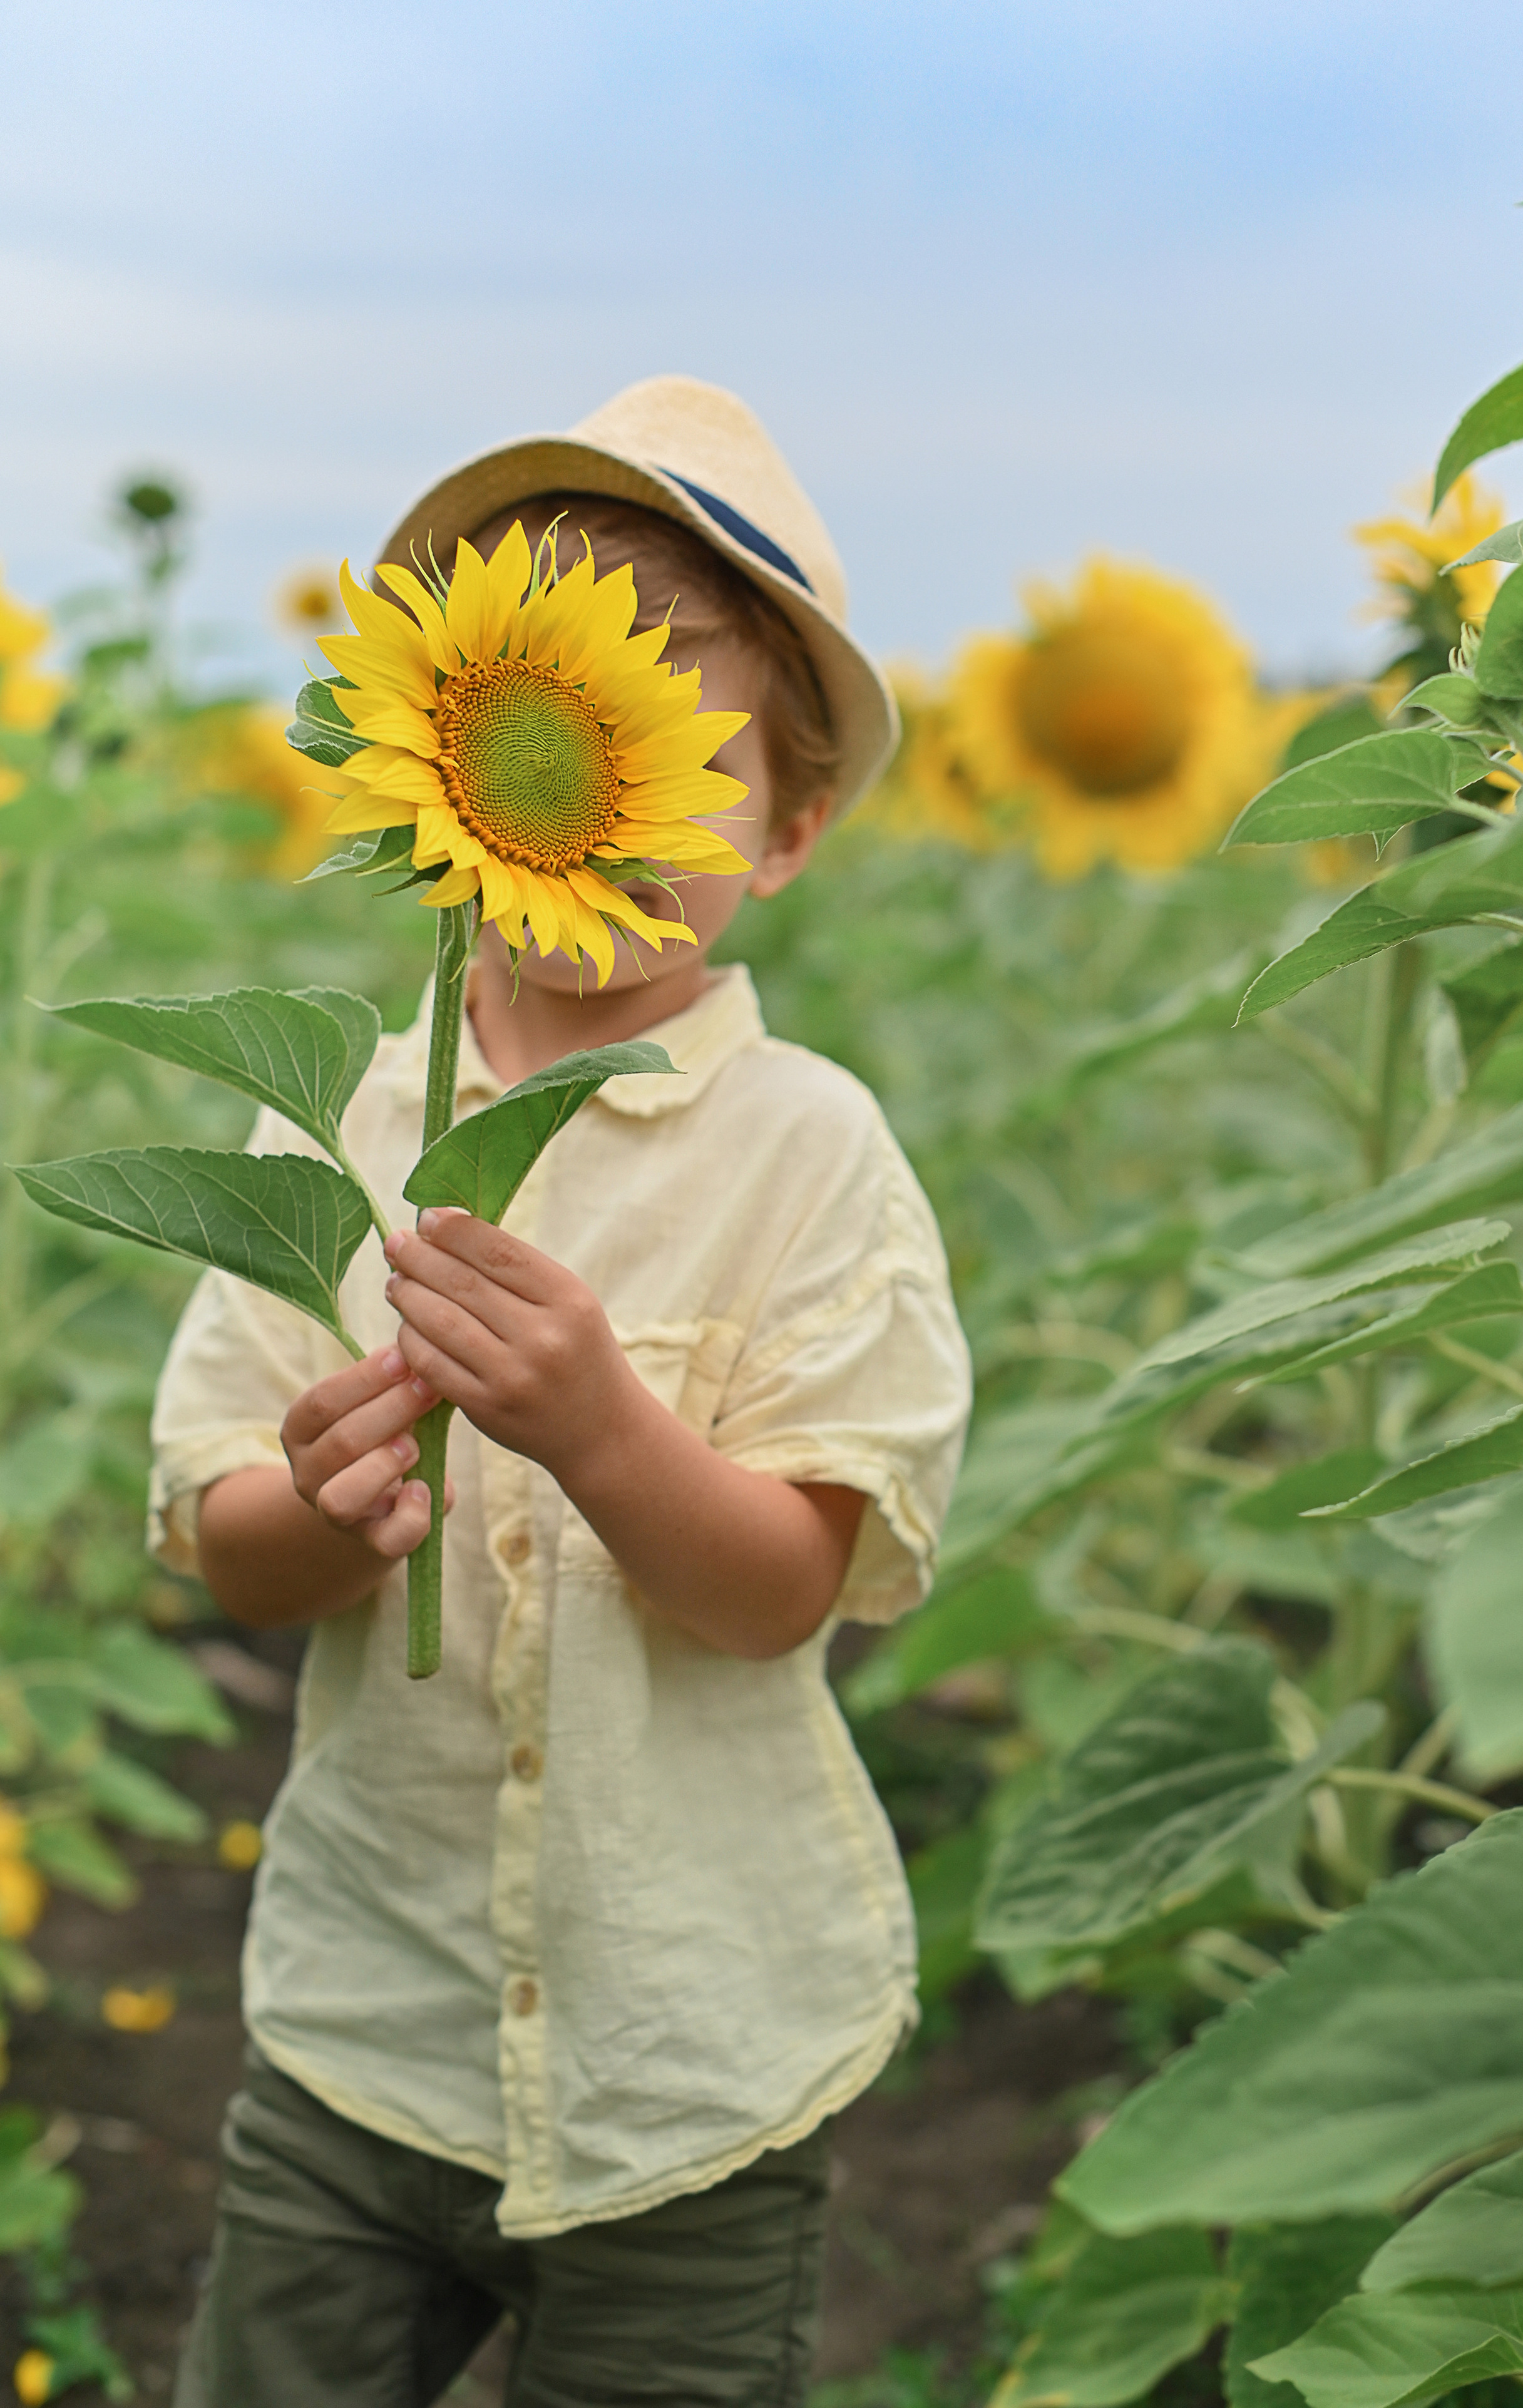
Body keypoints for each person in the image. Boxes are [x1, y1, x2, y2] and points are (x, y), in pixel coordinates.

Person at [153, 375, 972, 2408]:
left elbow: (787, 1587)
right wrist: (319, 1504)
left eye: (685, 740)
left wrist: (604, 1429)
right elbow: (226, 1553)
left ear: (788, 830)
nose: (607, 773)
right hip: (365, 2020)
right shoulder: (329, 1125)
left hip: (690, 2061)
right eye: (569, 719)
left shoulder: (816, 1154)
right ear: (445, 746)